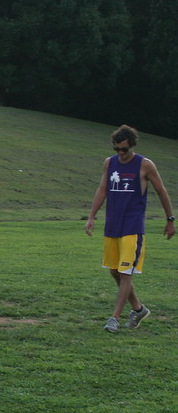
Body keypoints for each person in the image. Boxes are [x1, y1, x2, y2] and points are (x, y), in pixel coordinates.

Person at [84, 124, 174, 333]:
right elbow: (102, 189)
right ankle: (139, 309)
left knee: (126, 273)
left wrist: (170, 219)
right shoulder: (110, 163)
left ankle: (114, 319)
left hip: (132, 227)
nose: (120, 153)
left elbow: (161, 191)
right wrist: (91, 216)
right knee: (115, 271)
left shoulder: (145, 165)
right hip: (112, 226)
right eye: (117, 149)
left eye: (124, 149)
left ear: (132, 146)